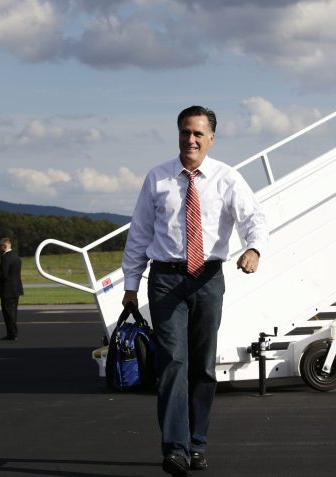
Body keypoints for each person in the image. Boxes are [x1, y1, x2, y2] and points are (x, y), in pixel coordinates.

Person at [121, 106, 268, 476]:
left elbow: (254, 218)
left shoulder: (226, 178)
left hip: (207, 279)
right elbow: (139, 233)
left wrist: (253, 249)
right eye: (185, 132)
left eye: (198, 134)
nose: (191, 139)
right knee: (173, 362)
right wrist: (130, 285)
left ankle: (197, 443)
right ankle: (176, 448)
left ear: (211, 139)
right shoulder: (157, 178)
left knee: (202, 365)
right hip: (165, 280)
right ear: (178, 134)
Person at [0, 237, 23, 340]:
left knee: (7, 313)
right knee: (13, 312)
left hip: (7, 290)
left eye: (0, 246)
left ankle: (12, 333)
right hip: (16, 288)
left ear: (4, 246)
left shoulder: (5, 258)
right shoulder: (16, 257)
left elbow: (4, 275)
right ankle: (13, 333)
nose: (0, 249)